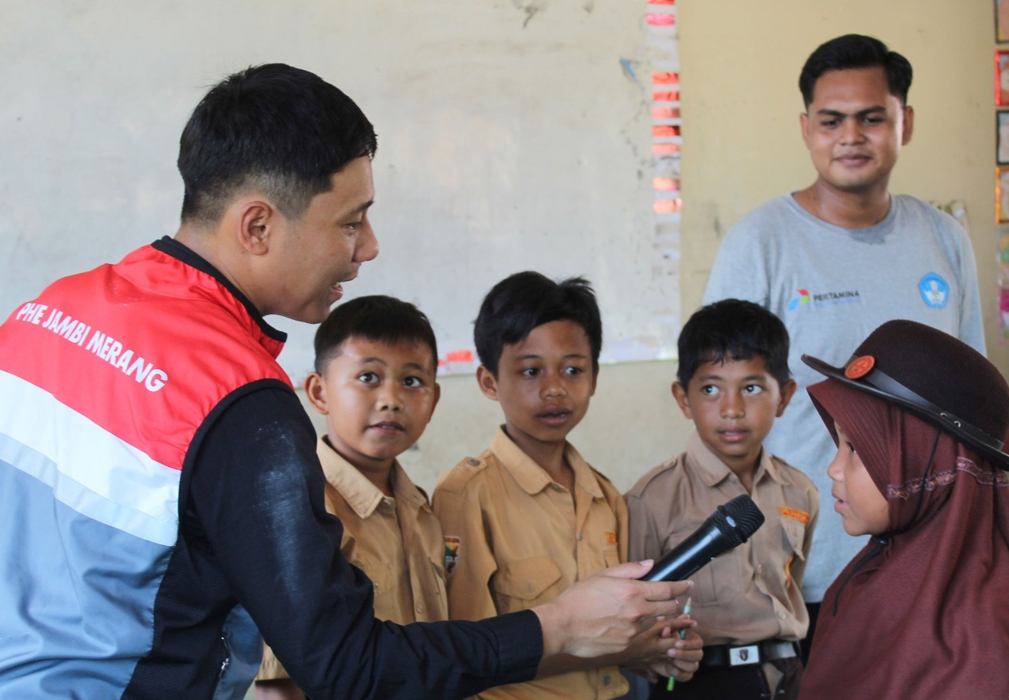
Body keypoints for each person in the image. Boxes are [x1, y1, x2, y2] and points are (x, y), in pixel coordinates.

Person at [0, 64, 694, 700]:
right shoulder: (241, 403)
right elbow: (348, 666)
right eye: (351, 222)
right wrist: (560, 628)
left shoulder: (47, 313)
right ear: (257, 225)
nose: (369, 248)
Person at [702, 34, 986, 649]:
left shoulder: (944, 239)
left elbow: (973, 412)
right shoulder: (760, 245)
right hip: (802, 565)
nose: (850, 137)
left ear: (904, 123)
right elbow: (720, 409)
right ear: (807, 129)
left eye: (871, 118)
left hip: (928, 564)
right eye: (832, 121)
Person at [433, 272, 702, 700]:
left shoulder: (606, 496)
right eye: (530, 371)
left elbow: (623, 632)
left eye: (573, 369)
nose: (555, 388)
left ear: (594, 377)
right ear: (489, 382)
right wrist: (621, 648)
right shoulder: (467, 494)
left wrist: (659, 651)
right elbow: (473, 653)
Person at [797, 320, 1009, 700]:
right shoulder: (863, 586)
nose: (834, 469)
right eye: (839, 445)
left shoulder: (990, 669)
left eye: (856, 448)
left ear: (924, 462)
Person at [254, 295, 451, 699]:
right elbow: (279, 683)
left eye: (412, 381)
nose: (391, 399)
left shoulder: (423, 510)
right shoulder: (301, 509)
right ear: (319, 392)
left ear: (433, 401)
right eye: (368, 378)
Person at [627, 299, 818, 700]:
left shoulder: (799, 490)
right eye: (711, 388)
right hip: (701, 683)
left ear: (783, 397)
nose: (732, 410)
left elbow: (790, 586)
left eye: (752, 388)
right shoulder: (651, 499)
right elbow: (632, 617)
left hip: (788, 676)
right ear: (683, 399)